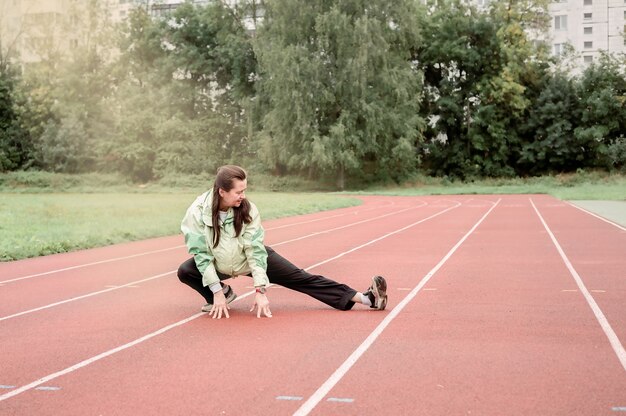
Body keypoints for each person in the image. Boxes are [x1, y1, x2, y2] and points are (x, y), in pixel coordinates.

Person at [177, 165, 388, 319]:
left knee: (301, 278)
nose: (243, 196)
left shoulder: (248, 209)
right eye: (238, 192)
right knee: (186, 270)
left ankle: (367, 299)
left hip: (248, 258)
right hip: (218, 262)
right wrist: (216, 293)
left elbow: (254, 250)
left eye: (245, 190)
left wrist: (260, 290)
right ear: (222, 191)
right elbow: (201, 255)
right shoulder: (197, 211)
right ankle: (224, 293)